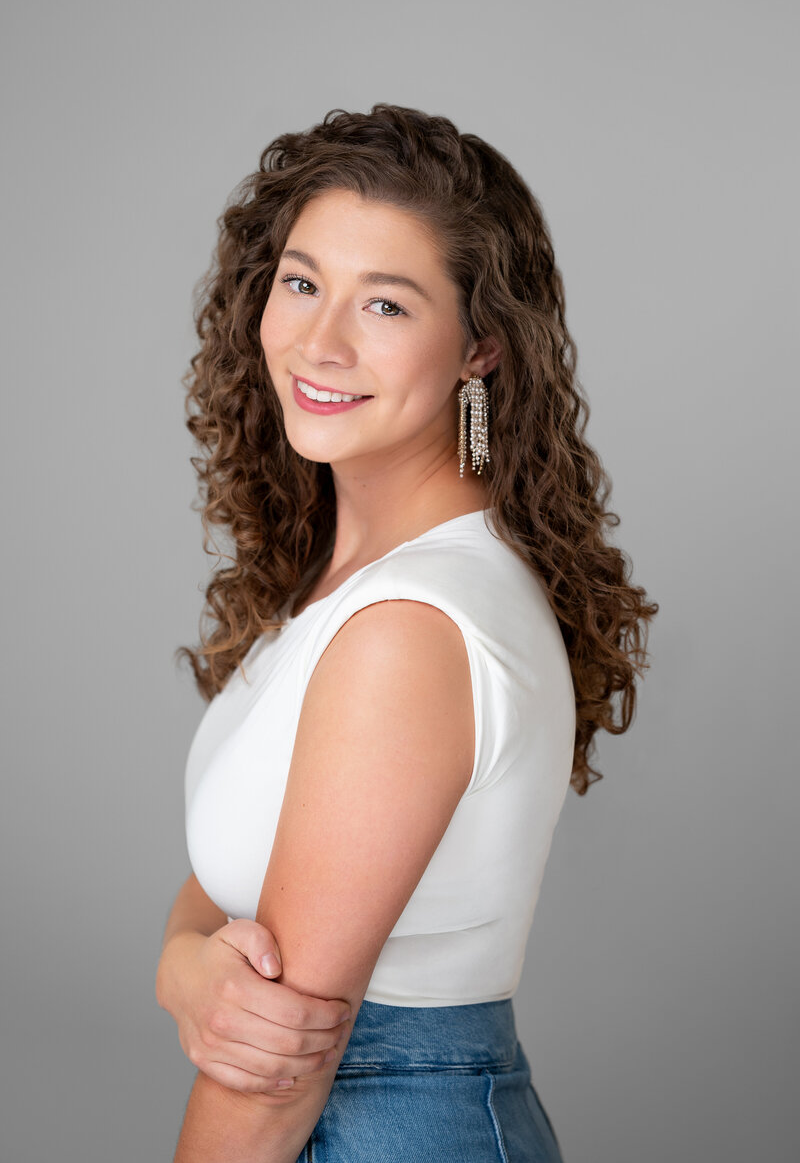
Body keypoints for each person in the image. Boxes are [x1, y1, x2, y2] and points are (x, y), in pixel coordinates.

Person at [155, 104, 658, 1162]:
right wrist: (183, 963)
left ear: (478, 345)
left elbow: (273, 1072)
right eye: (301, 281)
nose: (319, 338)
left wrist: (200, 966)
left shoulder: (405, 629)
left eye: (385, 302)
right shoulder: (349, 585)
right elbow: (228, 881)